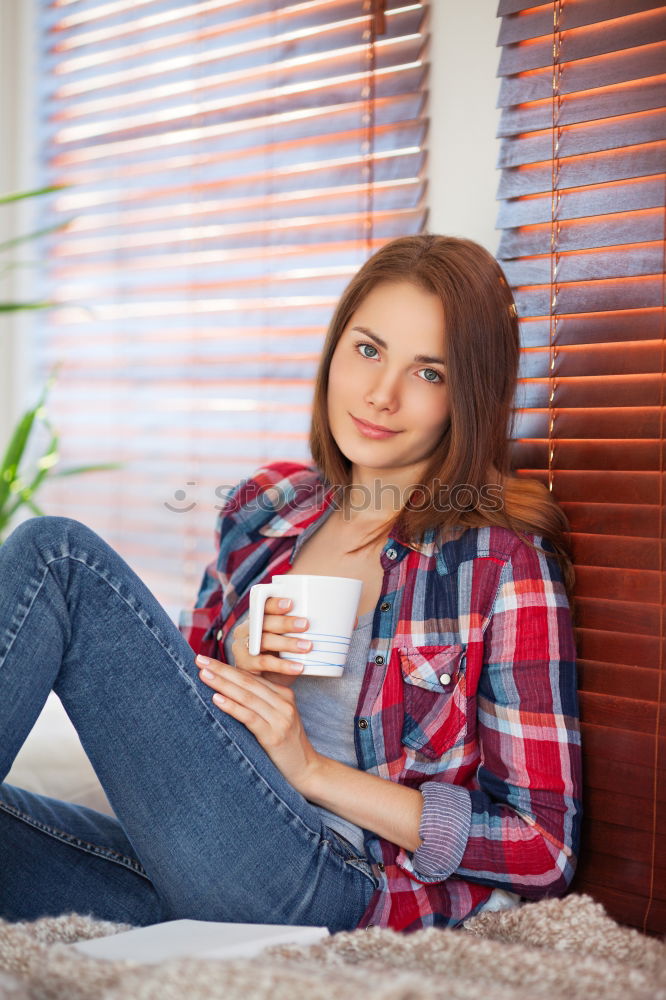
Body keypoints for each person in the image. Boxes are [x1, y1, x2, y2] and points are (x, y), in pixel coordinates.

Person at [0, 234, 582, 933]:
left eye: (430, 373)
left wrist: (310, 770)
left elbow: (543, 847)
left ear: (469, 397)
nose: (381, 395)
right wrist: (238, 673)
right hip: (212, 865)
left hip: (336, 882)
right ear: (335, 350)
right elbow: (175, 745)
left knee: (59, 559)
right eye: (368, 350)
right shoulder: (265, 510)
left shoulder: (498, 566)